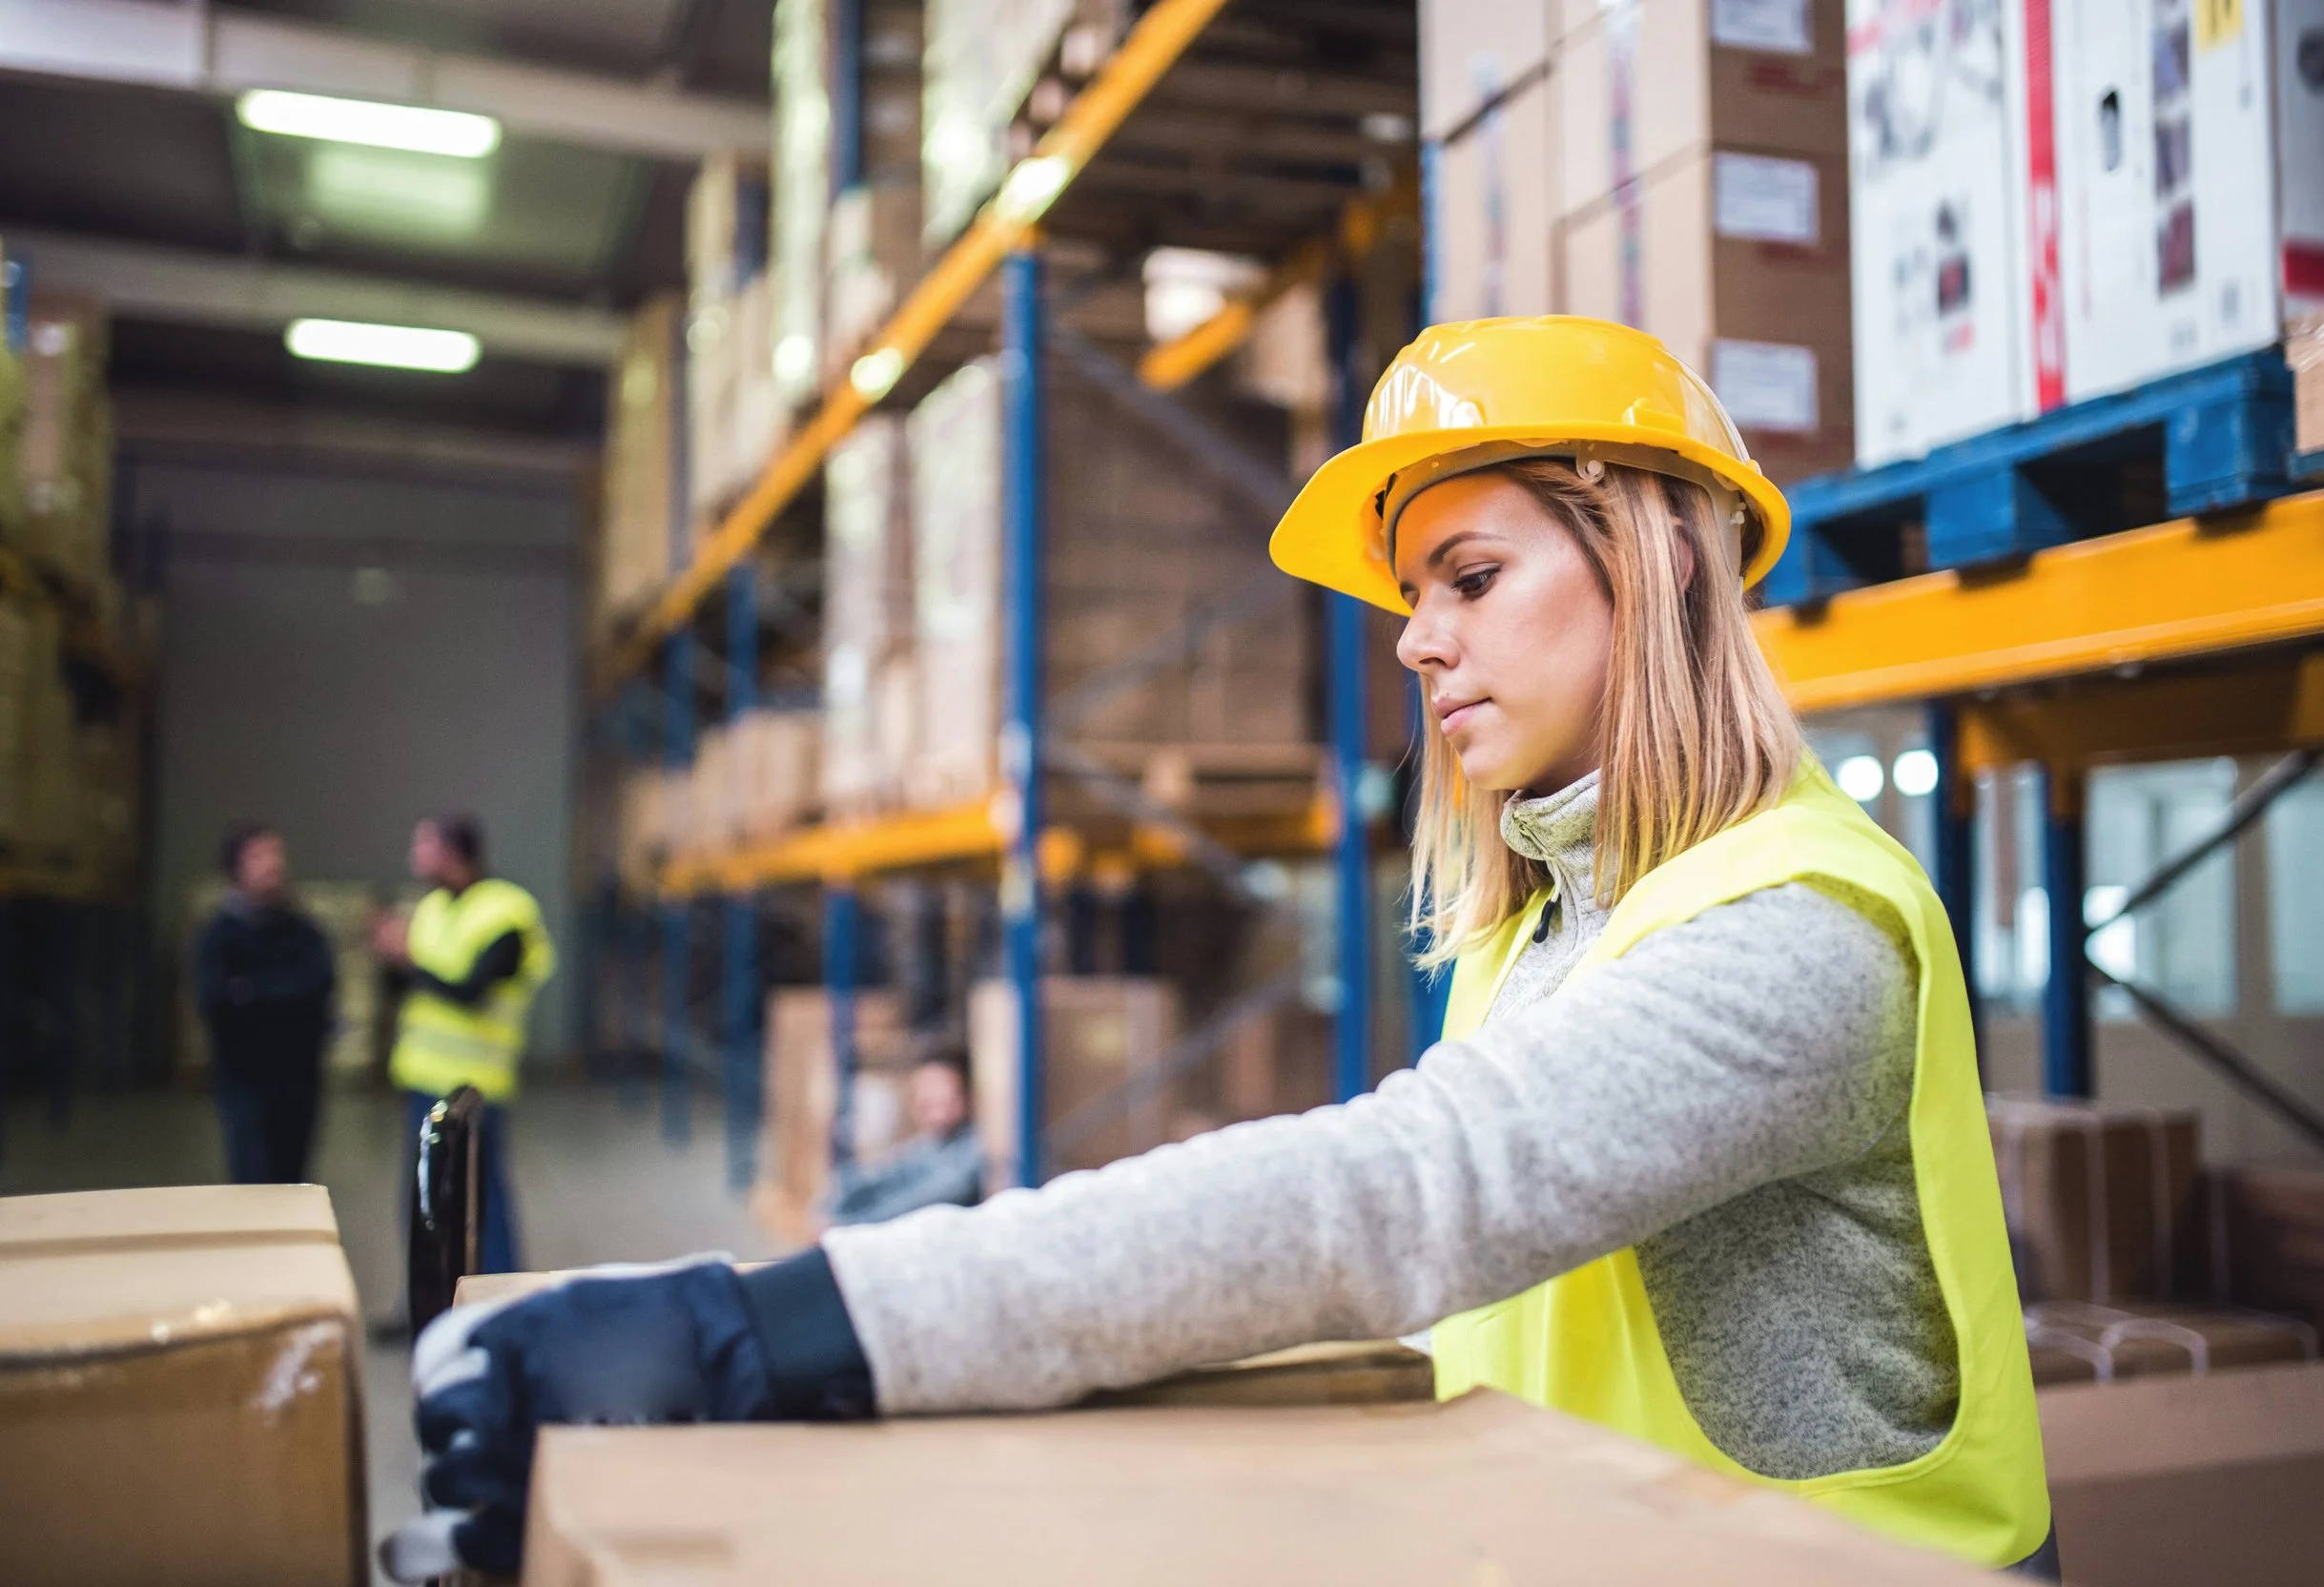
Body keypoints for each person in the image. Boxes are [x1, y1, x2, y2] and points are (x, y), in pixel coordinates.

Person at [386, 319, 2054, 1581]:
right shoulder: (1545, 926)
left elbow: (1406, 1194)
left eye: (1471, 574)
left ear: (1657, 559)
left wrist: (786, 1325)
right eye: (1414, 591)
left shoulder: (1796, 933)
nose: (1418, 637)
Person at [376, 814, 552, 1277]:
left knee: (482, 1197)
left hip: (475, 1087)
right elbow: (411, 985)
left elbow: (473, 991)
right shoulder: (431, 907)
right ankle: (427, 1296)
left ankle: (497, 1295)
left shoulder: (507, 913)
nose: (415, 856)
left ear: (452, 853)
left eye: (424, 845)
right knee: (424, 1198)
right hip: (421, 1078)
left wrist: (409, 962)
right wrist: (392, 960)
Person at [194, 823, 335, 1185]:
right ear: (234, 869)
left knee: (292, 1180)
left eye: (276, 855)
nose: (273, 865)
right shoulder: (219, 936)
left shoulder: (304, 932)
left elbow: (319, 987)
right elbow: (215, 1001)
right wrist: (281, 995)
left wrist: (253, 991)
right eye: (259, 856)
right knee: (252, 1179)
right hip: (244, 1078)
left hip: (298, 1078)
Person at [825, 1056, 985, 1226]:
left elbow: (917, 1201)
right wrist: (832, 1209)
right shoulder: (926, 1146)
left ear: (967, 1098)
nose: (938, 1114)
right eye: (927, 1104)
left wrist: (847, 1223)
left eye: (946, 1101)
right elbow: (875, 1177)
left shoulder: (971, 1152)